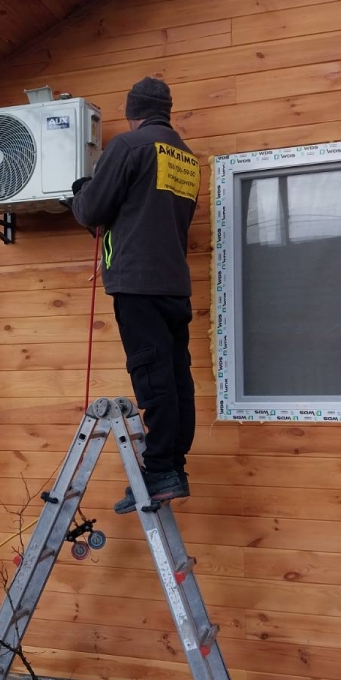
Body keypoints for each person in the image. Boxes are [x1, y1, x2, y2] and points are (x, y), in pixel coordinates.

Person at [71, 76, 200, 514]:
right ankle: (172, 465)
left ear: (132, 111)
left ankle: (161, 469)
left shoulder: (128, 148)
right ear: (166, 110)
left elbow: (91, 210)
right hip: (173, 284)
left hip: (137, 282)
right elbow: (153, 210)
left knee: (151, 372)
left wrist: (80, 193)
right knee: (176, 375)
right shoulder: (185, 159)